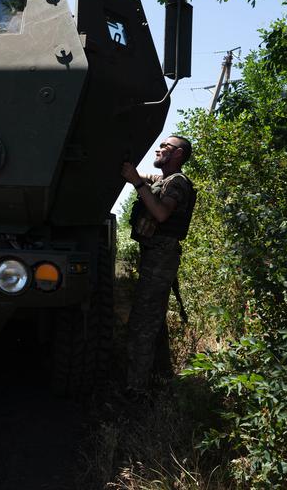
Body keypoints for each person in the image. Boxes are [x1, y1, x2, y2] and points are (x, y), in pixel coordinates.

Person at [120, 135, 196, 392]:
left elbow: (162, 213)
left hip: (160, 259)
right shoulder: (162, 180)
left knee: (142, 323)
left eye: (166, 146)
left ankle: (136, 391)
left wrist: (137, 183)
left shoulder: (178, 183)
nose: (159, 148)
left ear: (178, 155)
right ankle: (161, 378)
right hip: (155, 257)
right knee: (154, 320)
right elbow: (139, 177)